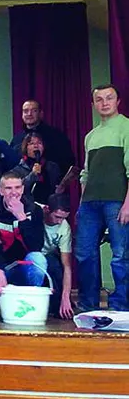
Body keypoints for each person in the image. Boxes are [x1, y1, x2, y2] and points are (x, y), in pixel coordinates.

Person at [77, 84, 129, 312]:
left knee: (120, 255)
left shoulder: (126, 127)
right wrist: (81, 204)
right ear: (94, 104)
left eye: (109, 98)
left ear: (118, 101)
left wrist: (128, 204)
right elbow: (86, 174)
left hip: (116, 201)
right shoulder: (91, 136)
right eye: (99, 99)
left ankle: (120, 305)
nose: (104, 103)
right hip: (90, 203)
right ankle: (88, 304)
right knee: (84, 253)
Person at [0, 172, 46, 298]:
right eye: (8, 188)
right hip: (3, 265)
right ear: (1, 191)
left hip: (26, 263)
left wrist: (22, 218)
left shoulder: (35, 210)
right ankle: (0, 299)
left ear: (23, 189)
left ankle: (32, 299)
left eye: (18, 187)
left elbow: (36, 247)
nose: (14, 192)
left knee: (39, 259)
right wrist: (0, 274)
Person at [11, 99, 75, 178]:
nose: (29, 114)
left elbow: (68, 161)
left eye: (34, 111)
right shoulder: (17, 139)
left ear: (41, 113)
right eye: (25, 111)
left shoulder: (56, 136)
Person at [41, 193, 74, 319]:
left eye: (63, 218)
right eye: (57, 217)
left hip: (50, 259)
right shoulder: (35, 212)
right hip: (28, 256)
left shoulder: (64, 227)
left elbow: (67, 265)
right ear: (47, 210)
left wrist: (66, 298)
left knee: (56, 266)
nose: (60, 221)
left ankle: (60, 306)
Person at [11, 132, 60, 205]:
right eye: (32, 143)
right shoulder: (17, 169)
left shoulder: (52, 166)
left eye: (39, 143)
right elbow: (16, 190)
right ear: (25, 147)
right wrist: (33, 174)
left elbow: (55, 187)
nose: (36, 146)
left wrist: (60, 188)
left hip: (49, 206)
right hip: (27, 206)